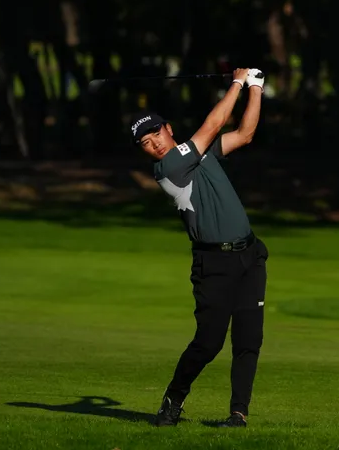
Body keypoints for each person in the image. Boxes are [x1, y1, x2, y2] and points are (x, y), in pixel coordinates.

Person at [129, 68, 268, 428]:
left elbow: (245, 134)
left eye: (156, 134)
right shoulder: (169, 168)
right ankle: (173, 399)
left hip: (250, 256)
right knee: (209, 343)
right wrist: (237, 82)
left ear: (168, 128)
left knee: (249, 339)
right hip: (214, 263)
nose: (154, 144)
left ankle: (238, 414)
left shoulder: (201, 154)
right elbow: (215, 123)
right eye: (145, 143)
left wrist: (255, 87)